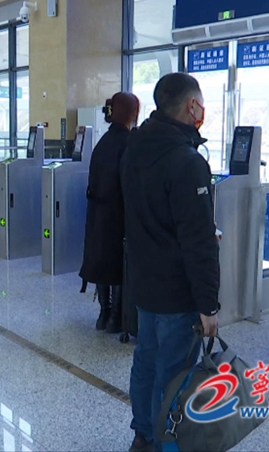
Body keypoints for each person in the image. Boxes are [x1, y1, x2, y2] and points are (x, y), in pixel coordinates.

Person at [121, 73, 220, 452]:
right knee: (174, 372)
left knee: (146, 361)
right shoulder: (187, 161)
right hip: (178, 291)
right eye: (201, 103)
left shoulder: (135, 147)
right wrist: (208, 304)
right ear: (192, 106)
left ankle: (144, 435)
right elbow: (198, 241)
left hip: (144, 283)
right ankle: (167, 444)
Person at [79, 92, 140, 333]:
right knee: (119, 264)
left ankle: (103, 313)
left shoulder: (103, 142)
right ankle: (116, 317)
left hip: (97, 213)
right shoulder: (130, 143)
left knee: (101, 261)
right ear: (132, 113)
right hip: (119, 214)